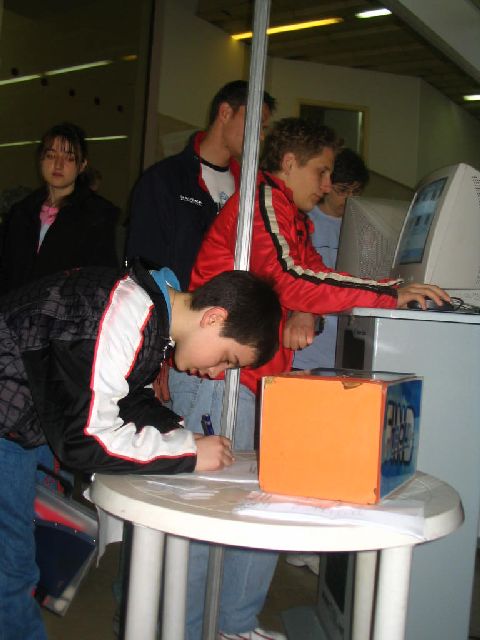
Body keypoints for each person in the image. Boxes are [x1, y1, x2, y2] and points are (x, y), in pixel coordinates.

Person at [169, 118, 450, 640]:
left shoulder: (289, 216)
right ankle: (187, 630)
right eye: (321, 171)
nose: (326, 185)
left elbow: (311, 279)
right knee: (205, 519)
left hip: (253, 377)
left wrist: (315, 308)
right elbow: (291, 277)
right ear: (289, 163)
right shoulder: (263, 202)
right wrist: (389, 293)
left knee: (256, 505)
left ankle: (231, 624)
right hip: (219, 376)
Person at [0, 260, 281, 640]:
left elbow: (127, 398)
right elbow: (85, 441)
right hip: (8, 426)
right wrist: (188, 454)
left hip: (23, 422)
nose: (217, 373)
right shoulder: (123, 311)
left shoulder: (149, 313)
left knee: (22, 558)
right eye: (227, 359)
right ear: (214, 318)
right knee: (11, 571)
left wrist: (180, 435)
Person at [287, 148, 369, 576]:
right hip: (307, 354)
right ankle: (299, 542)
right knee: (303, 453)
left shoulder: (364, 227)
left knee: (329, 456)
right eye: (340, 190)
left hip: (346, 354)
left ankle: (313, 540)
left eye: (353, 192)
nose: (345, 200)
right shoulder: (305, 222)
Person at [126, 79, 276, 289]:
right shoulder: (165, 179)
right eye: (257, 123)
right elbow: (143, 263)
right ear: (225, 113)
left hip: (231, 305)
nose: (260, 136)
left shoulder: (251, 190)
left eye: (264, 128)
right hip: (177, 306)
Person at [0, 122, 119, 295]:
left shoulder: (97, 216)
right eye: (50, 155)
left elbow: (100, 280)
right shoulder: (21, 212)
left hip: (64, 310)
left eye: (69, 158)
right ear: (40, 160)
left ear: (82, 165)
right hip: (17, 309)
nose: (58, 164)